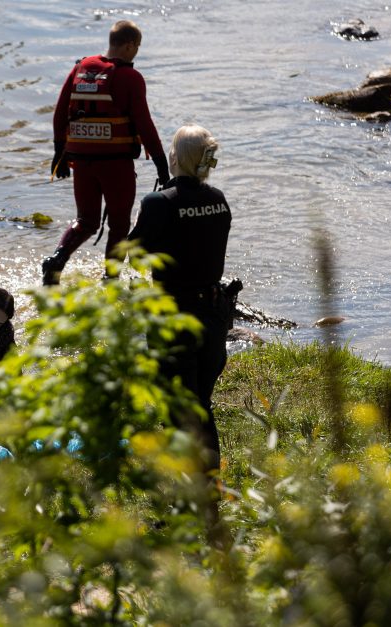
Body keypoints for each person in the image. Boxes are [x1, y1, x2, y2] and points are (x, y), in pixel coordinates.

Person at [127, 124, 232, 491]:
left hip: (174, 315)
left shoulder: (159, 203)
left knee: (177, 408)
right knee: (200, 404)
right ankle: (207, 489)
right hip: (215, 317)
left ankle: (188, 497)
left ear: (175, 157)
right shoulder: (219, 199)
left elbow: (131, 252)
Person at [42, 19, 170, 285]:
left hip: (82, 162)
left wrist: (59, 153)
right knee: (119, 224)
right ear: (129, 45)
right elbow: (144, 124)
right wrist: (161, 164)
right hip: (116, 165)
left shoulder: (80, 67)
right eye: (137, 47)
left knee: (86, 220)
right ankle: (110, 279)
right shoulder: (130, 78)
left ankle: (57, 259)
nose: (137, 52)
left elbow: (59, 113)